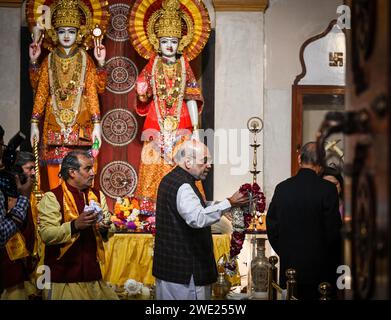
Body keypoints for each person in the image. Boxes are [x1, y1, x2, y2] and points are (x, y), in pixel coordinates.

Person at [131, 0, 210, 207]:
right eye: (165, 41)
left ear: (180, 43)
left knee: (182, 163)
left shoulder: (185, 65)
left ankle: (186, 205)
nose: (169, 46)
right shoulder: (152, 64)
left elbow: (191, 98)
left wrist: (195, 129)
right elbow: (143, 94)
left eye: (173, 42)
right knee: (153, 163)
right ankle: (151, 208)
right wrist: (141, 93)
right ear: (157, 42)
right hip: (156, 121)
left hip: (181, 120)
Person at [152, 140, 249, 300]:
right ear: (188, 162)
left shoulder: (170, 179)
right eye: (204, 160)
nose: (209, 165)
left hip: (171, 271)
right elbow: (196, 218)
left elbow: (190, 207)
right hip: (186, 274)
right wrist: (229, 202)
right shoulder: (183, 185)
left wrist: (220, 206)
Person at [28, 0, 107, 189]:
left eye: (71, 31)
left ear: (78, 33)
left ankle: (81, 215)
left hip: (81, 125)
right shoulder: (49, 60)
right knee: (56, 184)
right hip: (54, 125)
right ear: (55, 32)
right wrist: (34, 123)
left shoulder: (85, 59)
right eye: (62, 31)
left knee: (81, 177)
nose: (66, 36)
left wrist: (97, 124)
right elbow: (40, 92)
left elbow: (95, 91)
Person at [37, 150, 117, 300]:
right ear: (72, 172)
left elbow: (109, 226)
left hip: (92, 276)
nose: (93, 173)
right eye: (87, 168)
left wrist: (105, 228)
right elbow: (47, 235)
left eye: (92, 168)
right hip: (62, 278)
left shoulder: (98, 195)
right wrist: (74, 225)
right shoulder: (52, 197)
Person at [266, 142, 342, 300]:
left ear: (299, 159)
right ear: (320, 164)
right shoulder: (328, 190)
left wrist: (286, 251)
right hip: (320, 269)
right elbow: (333, 231)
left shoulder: (282, 188)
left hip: (290, 267)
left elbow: (272, 227)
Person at [0, 152, 38, 299]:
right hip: (9, 262)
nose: (33, 173)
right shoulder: (10, 194)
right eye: (29, 168)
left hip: (24, 261)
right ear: (16, 173)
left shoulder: (26, 193)